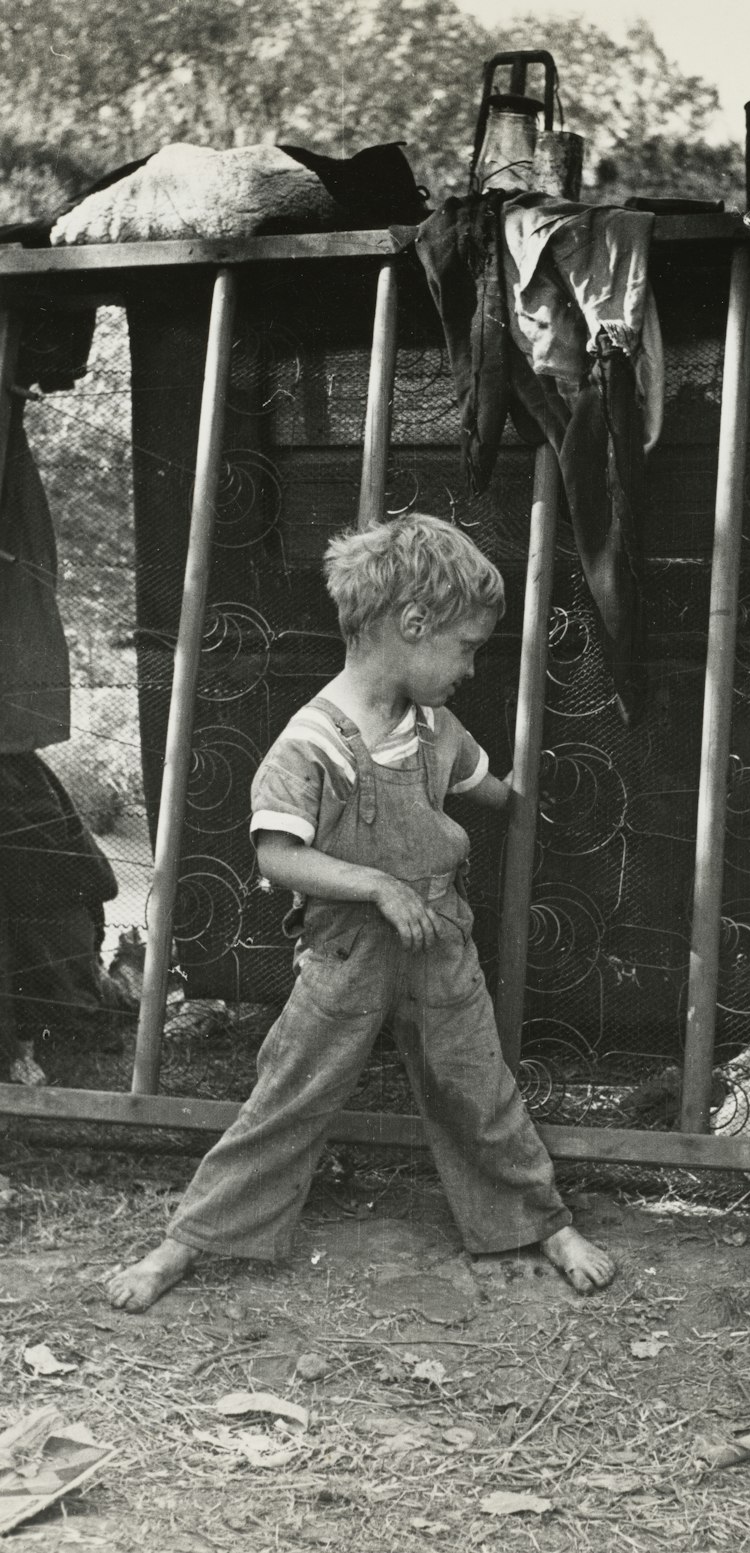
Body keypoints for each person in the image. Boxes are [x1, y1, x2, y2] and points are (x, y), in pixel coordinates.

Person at [107, 514, 615, 1311]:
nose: (473, 667)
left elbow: (488, 787)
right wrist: (376, 884)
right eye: (467, 646)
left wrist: (525, 792)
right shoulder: (314, 740)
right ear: (412, 626)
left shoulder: (433, 726)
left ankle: (542, 1222)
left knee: (478, 1089)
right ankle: (187, 1241)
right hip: (347, 951)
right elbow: (278, 854)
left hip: (439, 940)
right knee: (290, 1094)